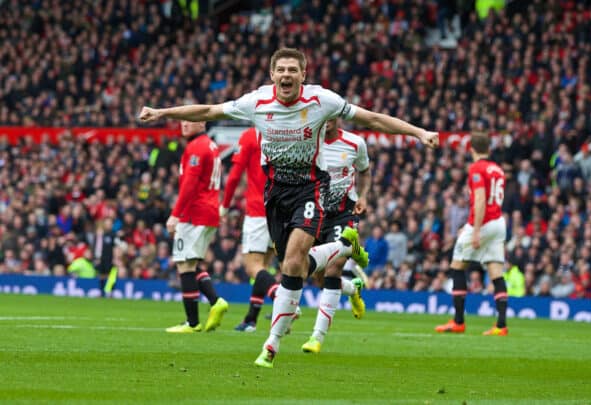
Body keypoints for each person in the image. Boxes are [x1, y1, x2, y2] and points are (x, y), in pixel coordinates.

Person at [139, 47, 438, 367]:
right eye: (280, 70)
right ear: (272, 75)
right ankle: (339, 250)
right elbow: (209, 111)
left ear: (303, 75)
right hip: (275, 194)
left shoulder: (322, 100)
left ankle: (271, 344)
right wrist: (161, 113)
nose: (286, 75)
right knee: (291, 268)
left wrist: (418, 132)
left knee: (295, 260)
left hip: (311, 189)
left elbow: (373, 118)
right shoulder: (256, 102)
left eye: (292, 70)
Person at [301, 118, 371, 354]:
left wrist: (363, 196)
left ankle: (316, 337)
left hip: (344, 213)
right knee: (319, 279)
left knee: (334, 268)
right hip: (317, 214)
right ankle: (353, 288)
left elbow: (365, 172)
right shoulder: (309, 143)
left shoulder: (354, 143)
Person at [435, 132, 509, 336]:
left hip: (483, 222)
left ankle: (458, 321)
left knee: (457, 266)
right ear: (489, 148)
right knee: (496, 271)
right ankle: (501, 326)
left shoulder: (476, 168)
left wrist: (475, 230)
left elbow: (480, 200)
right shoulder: (498, 169)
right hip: (498, 223)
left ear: (471, 149)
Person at [164, 120, 229, 333]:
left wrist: (175, 215)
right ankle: (215, 301)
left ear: (201, 122)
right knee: (191, 263)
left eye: (190, 120)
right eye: (182, 120)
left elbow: (189, 185)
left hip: (195, 213)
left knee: (184, 265)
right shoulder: (209, 145)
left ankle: (192, 323)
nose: (184, 124)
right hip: (210, 210)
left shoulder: (197, 147)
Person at [221, 127, 279, 332]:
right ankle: (251, 319)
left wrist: (225, 204)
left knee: (251, 266)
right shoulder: (284, 132)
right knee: (263, 266)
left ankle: (281, 298)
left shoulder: (250, 135)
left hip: (258, 210)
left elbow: (235, 175)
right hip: (281, 210)